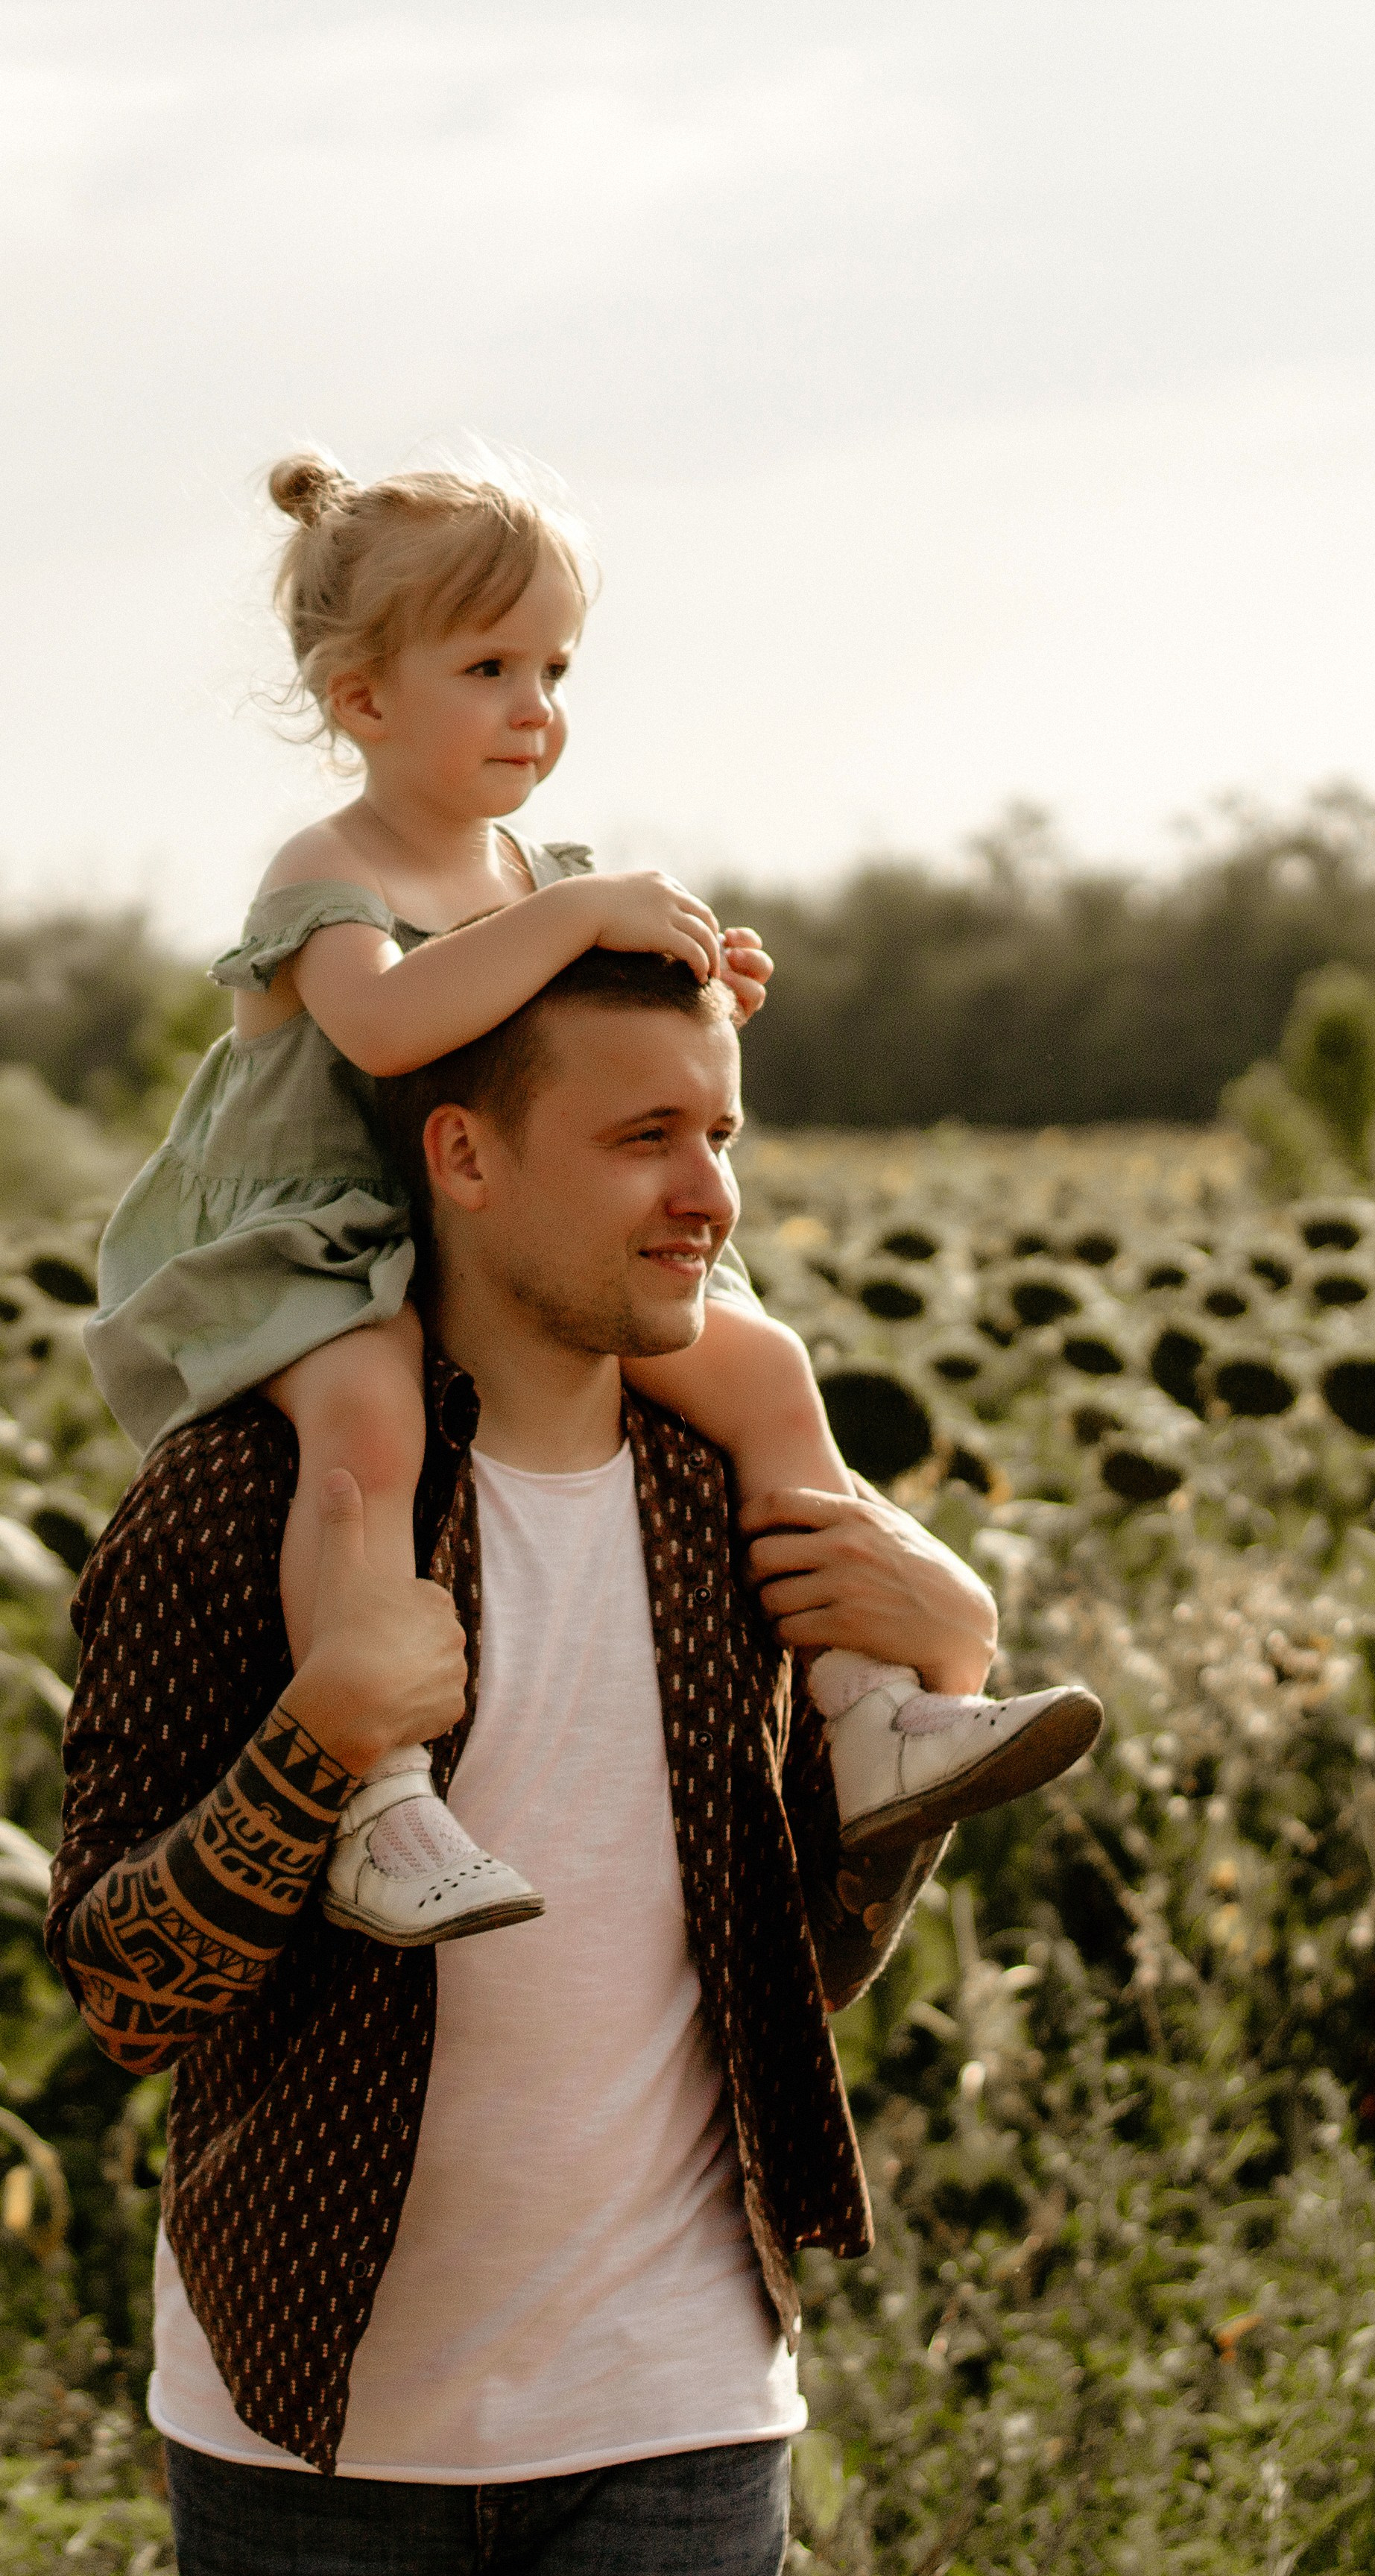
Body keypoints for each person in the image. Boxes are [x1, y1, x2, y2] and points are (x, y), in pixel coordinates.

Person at [47, 947, 1034, 2573]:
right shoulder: (244, 1503)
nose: (707, 1194)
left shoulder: (742, 1510)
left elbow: (807, 1966)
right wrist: (318, 1747)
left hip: (680, 2408)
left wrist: (950, 1659)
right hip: (314, 2427)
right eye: (646, 1137)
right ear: (465, 1156)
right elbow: (124, 2000)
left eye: (723, 1136)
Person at [83, 448, 1101, 1946]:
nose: (536, 707)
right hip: (325, 1240)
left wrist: (684, 982)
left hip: (481, 1243)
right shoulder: (334, 867)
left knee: (769, 1370)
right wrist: (576, 917)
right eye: (489, 665)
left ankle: (870, 1706)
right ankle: (377, 1792)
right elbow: (380, 1032)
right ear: (364, 702)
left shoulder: (531, 875)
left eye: (555, 667)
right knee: (363, 1433)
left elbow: (581, 1040)